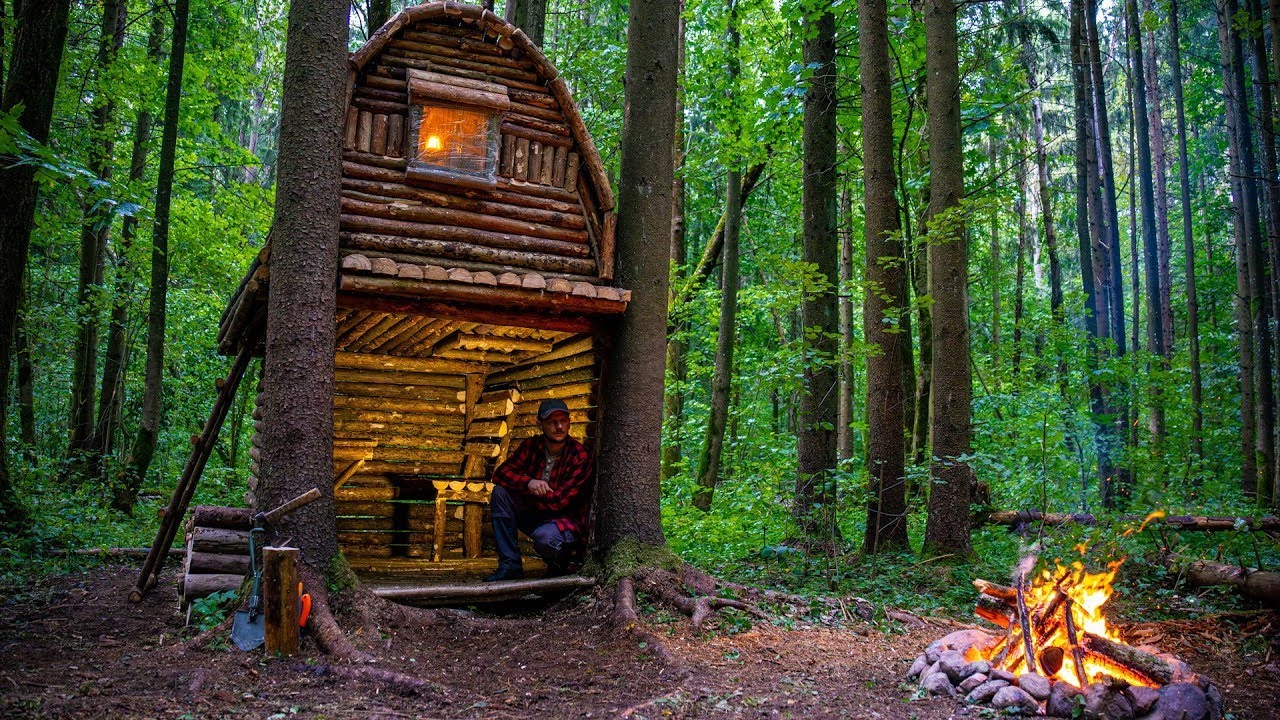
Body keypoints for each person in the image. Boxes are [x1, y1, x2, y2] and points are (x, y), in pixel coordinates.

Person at [483, 398, 593, 581]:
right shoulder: (532, 446)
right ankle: (510, 567)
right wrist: (528, 482)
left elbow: (561, 501)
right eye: (552, 422)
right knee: (500, 493)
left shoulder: (580, 455)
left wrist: (528, 494)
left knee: (546, 538)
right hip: (537, 514)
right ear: (540, 423)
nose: (559, 427)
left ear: (569, 422)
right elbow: (500, 474)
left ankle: (560, 566)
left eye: (563, 421)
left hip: (563, 521)